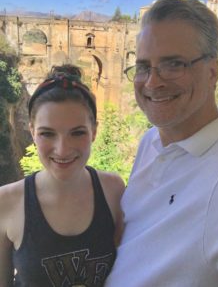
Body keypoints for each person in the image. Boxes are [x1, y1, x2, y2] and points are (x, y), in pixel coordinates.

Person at [105, 0, 218, 287]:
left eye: (174, 65)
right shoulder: (151, 141)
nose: (152, 82)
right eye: (143, 66)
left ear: (212, 72)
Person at [0, 64, 125, 286]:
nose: (62, 149)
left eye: (77, 133)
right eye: (47, 133)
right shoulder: (6, 202)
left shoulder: (113, 189)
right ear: (32, 132)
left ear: (94, 131)